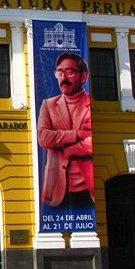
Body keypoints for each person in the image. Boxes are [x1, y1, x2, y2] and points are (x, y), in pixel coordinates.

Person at [37, 52, 95, 210]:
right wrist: (77, 134)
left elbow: (92, 142)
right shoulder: (48, 105)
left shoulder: (91, 104)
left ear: (83, 77)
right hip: (56, 191)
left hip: (88, 191)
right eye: (59, 72)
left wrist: (68, 149)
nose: (63, 78)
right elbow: (43, 138)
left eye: (69, 72)